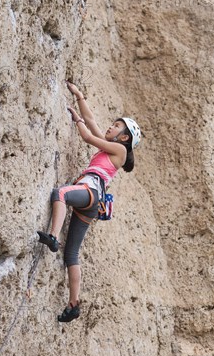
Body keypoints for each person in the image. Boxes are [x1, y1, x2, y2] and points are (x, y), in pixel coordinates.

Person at [37, 80, 141, 322]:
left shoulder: (120, 152)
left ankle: (52, 236)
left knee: (61, 194)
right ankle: (74, 304)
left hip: (90, 191)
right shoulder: (112, 148)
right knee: (71, 253)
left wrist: (77, 121)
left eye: (115, 127)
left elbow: (87, 135)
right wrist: (79, 97)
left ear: (124, 137)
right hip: (93, 202)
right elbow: (93, 122)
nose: (109, 127)